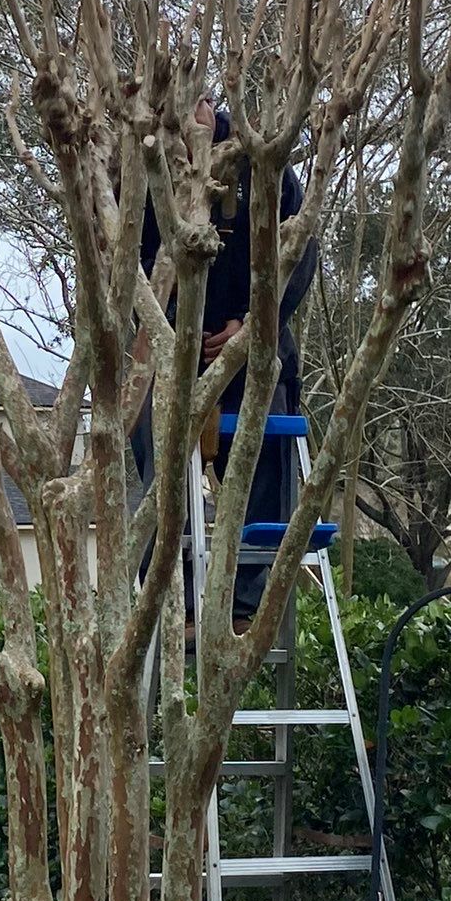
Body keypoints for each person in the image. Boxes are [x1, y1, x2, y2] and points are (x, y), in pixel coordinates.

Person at [133, 95, 318, 622]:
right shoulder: (153, 170)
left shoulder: (260, 161)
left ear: (209, 103)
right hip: (174, 353)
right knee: (154, 445)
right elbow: (134, 261)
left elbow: (298, 250)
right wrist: (168, 328)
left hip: (253, 345)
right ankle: (174, 592)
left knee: (261, 450)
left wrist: (251, 322)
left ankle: (245, 599)